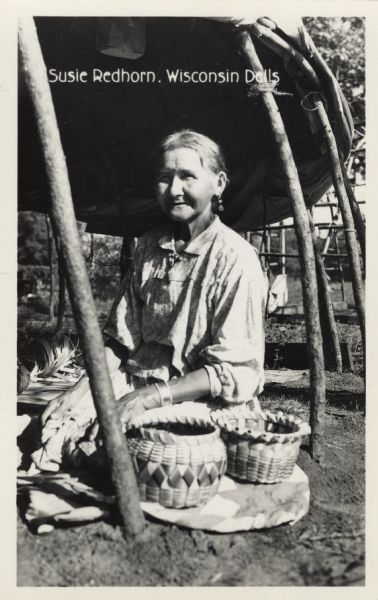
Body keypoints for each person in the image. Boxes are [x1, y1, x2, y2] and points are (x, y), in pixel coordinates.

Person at [33, 130, 267, 471]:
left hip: (202, 398)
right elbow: (121, 340)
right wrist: (82, 388)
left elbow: (234, 371)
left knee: (129, 450)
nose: (174, 190)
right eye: (164, 178)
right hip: (137, 381)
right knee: (57, 424)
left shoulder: (235, 259)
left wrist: (148, 398)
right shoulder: (149, 247)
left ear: (218, 183)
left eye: (188, 176)